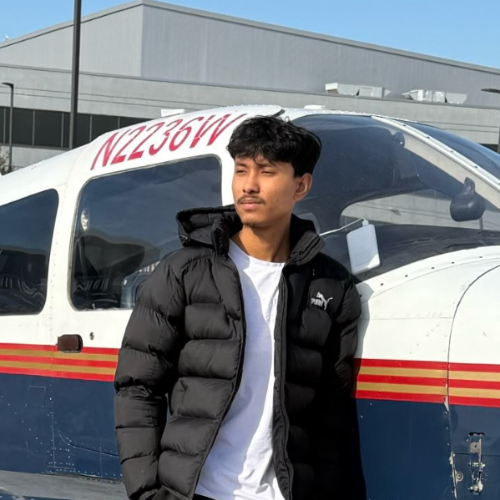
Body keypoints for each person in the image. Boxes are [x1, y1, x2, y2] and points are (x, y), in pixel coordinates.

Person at [114, 115, 362, 500]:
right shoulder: (185, 271)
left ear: (301, 185)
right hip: (199, 492)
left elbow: (331, 414)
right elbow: (138, 386)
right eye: (241, 169)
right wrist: (147, 492)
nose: (248, 184)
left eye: (266, 171)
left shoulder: (331, 285)